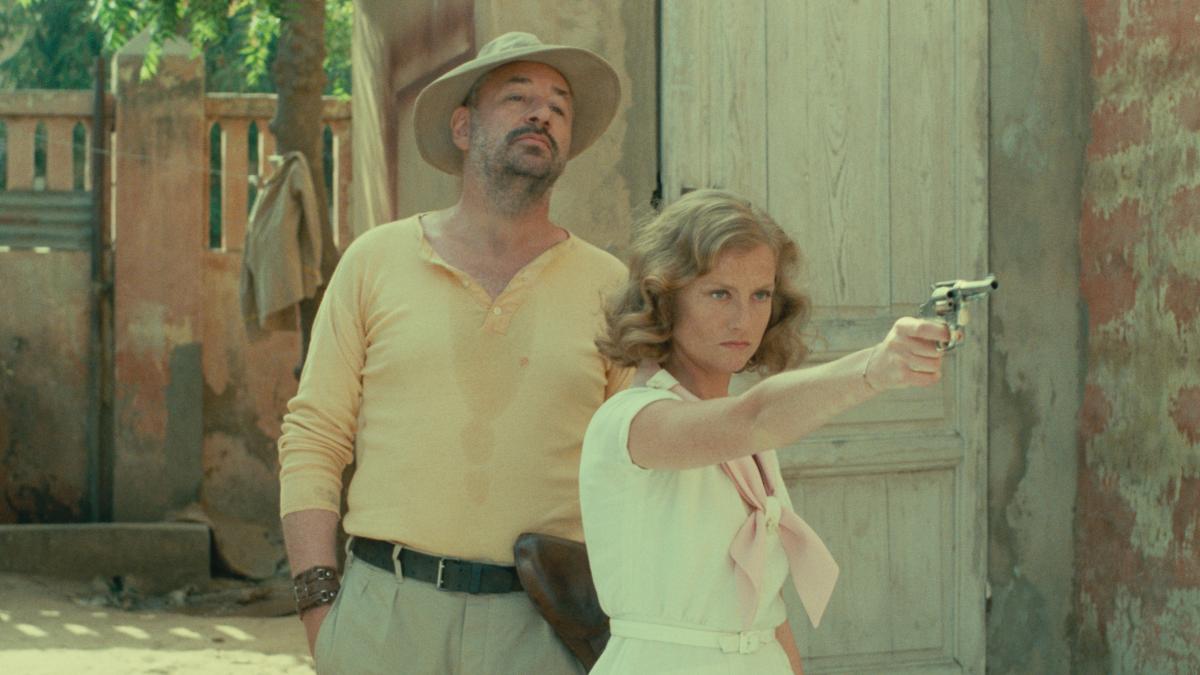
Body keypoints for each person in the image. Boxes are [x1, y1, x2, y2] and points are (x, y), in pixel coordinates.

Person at [277, 32, 630, 674]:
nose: (541, 113)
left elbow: (635, 465)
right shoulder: (374, 262)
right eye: (517, 96)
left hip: (547, 629)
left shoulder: (611, 287)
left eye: (559, 105)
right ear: (464, 127)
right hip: (384, 618)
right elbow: (313, 436)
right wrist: (320, 610)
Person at [579, 189, 958, 674]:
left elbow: (767, 614)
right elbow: (754, 418)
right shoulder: (633, 421)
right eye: (720, 293)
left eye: (760, 294)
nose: (744, 318)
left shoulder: (747, 444)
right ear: (663, 298)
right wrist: (875, 368)